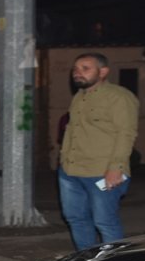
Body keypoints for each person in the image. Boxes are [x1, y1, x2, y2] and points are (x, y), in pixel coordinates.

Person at [59, 53, 139, 250]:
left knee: (105, 221)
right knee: (76, 218)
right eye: (76, 69)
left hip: (102, 172)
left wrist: (116, 168)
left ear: (103, 72)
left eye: (85, 68)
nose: (78, 73)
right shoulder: (79, 97)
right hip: (70, 171)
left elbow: (126, 133)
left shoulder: (119, 97)